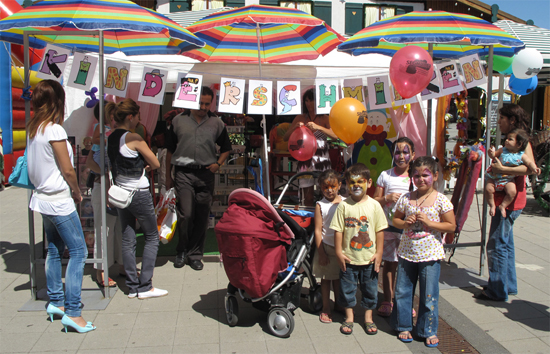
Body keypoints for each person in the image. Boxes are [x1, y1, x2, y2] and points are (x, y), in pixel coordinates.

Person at [26, 80, 96, 333]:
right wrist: (77, 191)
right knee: (79, 252)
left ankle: (56, 302)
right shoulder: (54, 130)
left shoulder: (35, 129)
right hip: (58, 199)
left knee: (54, 249)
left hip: (42, 198)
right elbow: (67, 169)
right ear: (58, 101)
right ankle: (74, 312)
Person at [391, 156, 456, 347]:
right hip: (406, 253)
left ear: (435, 176)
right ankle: (403, 325)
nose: (420, 179)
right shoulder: (406, 198)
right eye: (416, 175)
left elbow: (451, 226)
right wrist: (404, 223)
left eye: (425, 175)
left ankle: (427, 329)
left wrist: (430, 223)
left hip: (430, 255)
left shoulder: (441, 200)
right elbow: (395, 220)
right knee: (403, 291)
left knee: (429, 294)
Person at [166, 86, 232, 271]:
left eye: (206, 103)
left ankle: (195, 254)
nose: (203, 107)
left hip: (206, 174)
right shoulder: (178, 121)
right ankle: (181, 250)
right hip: (183, 173)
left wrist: (218, 164)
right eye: (200, 103)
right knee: (186, 214)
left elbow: (226, 147)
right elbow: (169, 150)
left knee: (202, 216)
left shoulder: (216, 123)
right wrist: (167, 177)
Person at [475, 104, 536, 302]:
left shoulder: (521, 140)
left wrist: (502, 171)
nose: (498, 121)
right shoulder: (510, 140)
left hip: (510, 201)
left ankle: (497, 290)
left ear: (511, 120)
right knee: (506, 243)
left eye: (501, 118)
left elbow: (530, 169)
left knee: (496, 243)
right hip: (508, 199)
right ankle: (507, 285)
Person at [107, 98, 167, 299]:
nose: (140, 120)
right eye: (138, 116)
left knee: (127, 237)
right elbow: (156, 162)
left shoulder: (111, 137)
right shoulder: (133, 138)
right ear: (130, 117)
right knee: (151, 237)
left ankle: (132, 286)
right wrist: (145, 164)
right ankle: (145, 286)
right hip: (138, 193)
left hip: (121, 192)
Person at [330, 163, 387, 335]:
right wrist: (339, 253)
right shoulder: (343, 206)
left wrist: (379, 253)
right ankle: (349, 317)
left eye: (360, 181)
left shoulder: (374, 206)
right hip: (349, 258)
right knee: (347, 290)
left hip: (369, 259)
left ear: (369, 183)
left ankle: (369, 318)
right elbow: (338, 231)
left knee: (370, 289)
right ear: (346, 184)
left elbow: (380, 231)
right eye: (352, 182)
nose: (355, 185)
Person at [373, 137, 416, 318]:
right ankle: (387, 299)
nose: (401, 156)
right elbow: (374, 201)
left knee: (407, 267)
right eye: (397, 152)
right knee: (389, 265)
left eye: (405, 152)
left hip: (409, 229)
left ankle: (404, 301)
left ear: (413, 155)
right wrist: (387, 199)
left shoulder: (417, 177)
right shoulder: (385, 175)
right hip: (389, 228)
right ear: (392, 154)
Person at [283, 88, 337, 206]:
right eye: (306, 101)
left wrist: (319, 127)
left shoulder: (325, 118)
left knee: (326, 193)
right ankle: (306, 221)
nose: (308, 103)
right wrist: (295, 128)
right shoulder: (300, 117)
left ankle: (324, 218)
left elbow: (335, 136)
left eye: (311, 100)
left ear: (317, 101)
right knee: (307, 195)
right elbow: (285, 137)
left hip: (321, 160)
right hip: (305, 161)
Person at [86, 151, 123, 288]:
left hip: (122, 184)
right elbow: (89, 162)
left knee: (121, 228)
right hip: (103, 184)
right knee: (104, 228)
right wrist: (106, 174)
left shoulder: (126, 135)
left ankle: (122, 264)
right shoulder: (100, 135)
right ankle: (100, 269)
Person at [485, 128, 540, 217]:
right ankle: (492, 205)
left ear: (519, 144)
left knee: (512, 192)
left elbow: (529, 163)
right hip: (495, 176)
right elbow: (494, 155)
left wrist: (535, 168)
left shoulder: (522, 155)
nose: (506, 140)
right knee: (488, 189)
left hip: (508, 179)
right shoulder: (503, 150)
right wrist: (491, 153)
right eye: (507, 138)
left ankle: (503, 206)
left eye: (510, 139)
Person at [312, 169, 343, 324]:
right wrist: (321, 252)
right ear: (320, 187)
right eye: (326, 187)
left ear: (339, 186)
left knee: (338, 278)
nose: (329, 190)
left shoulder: (345, 202)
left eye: (332, 186)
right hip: (325, 246)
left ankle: (338, 303)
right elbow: (318, 230)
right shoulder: (320, 205)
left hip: (341, 248)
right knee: (325, 279)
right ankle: (326, 307)